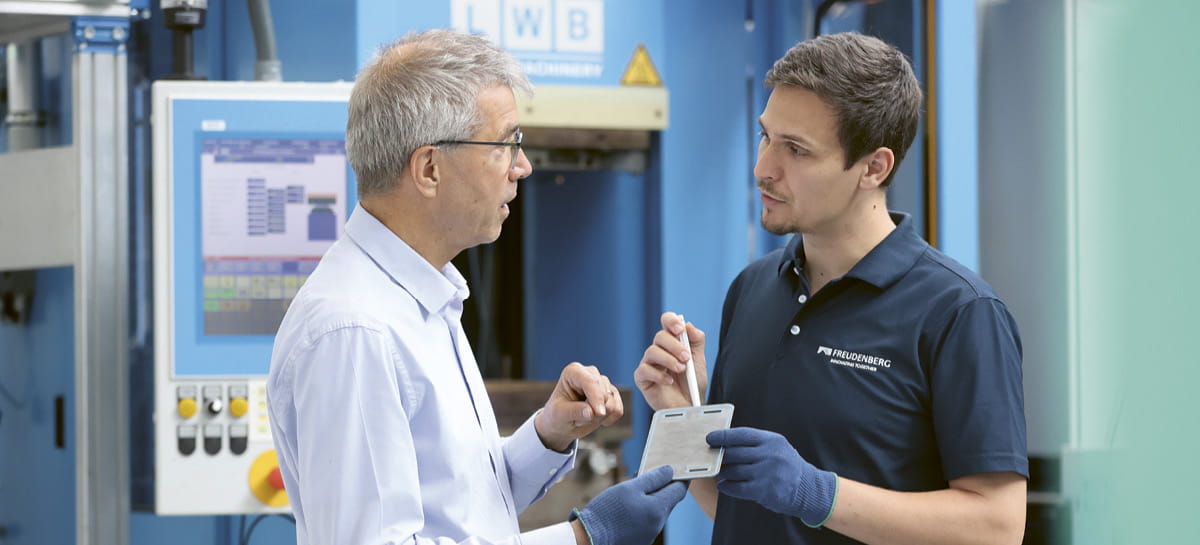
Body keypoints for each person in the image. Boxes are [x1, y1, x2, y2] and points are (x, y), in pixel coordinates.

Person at [267, 29, 685, 545]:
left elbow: (462, 504)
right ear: (429, 169)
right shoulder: (355, 330)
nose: (522, 167)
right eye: (505, 144)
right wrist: (582, 538)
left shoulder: (425, 297)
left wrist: (548, 434)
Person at [635, 32, 1027, 545]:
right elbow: (735, 507)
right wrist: (682, 414)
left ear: (874, 167)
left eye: (796, 150)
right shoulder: (752, 289)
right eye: (765, 136)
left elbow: (997, 528)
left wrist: (819, 493)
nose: (763, 169)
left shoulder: (959, 313)